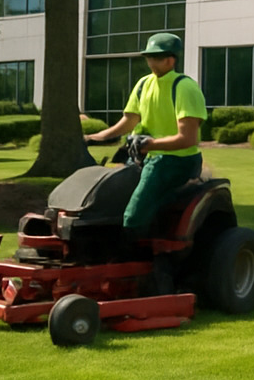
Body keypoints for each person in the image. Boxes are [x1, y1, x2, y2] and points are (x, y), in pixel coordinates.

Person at [85, 32, 207, 234]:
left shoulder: (185, 87)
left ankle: (135, 258)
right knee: (106, 199)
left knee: (133, 216)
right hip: (144, 157)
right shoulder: (143, 84)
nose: (151, 62)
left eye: (156, 58)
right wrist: (93, 137)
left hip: (176, 162)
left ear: (171, 59)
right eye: (149, 57)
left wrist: (150, 145)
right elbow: (128, 122)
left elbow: (188, 139)